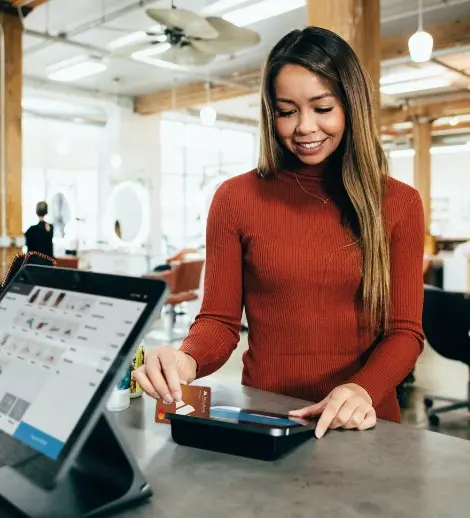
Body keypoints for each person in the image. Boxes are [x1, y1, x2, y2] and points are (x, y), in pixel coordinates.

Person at [134, 27, 425, 439]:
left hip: (362, 424)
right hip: (265, 419)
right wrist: (187, 359)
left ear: (352, 106)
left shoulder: (399, 203)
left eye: (323, 108)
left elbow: (404, 333)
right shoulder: (235, 198)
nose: (304, 127)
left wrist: (363, 389)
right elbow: (218, 321)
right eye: (286, 111)